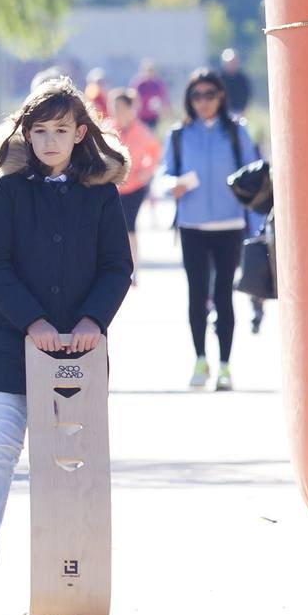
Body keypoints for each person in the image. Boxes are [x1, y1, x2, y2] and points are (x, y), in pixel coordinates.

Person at [0, 78, 132, 615]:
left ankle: (71, 580)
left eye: (61, 130)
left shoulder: (100, 196)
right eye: (40, 131)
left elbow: (116, 269)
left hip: (78, 352)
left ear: (82, 133)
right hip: (13, 346)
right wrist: (31, 321)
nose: (51, 140)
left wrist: (90, 322)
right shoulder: (9, 192)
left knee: (73, 466)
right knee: (1, 448)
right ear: (26, 136)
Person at [155, 68, 264, 391]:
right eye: (197, 96)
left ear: (221, 96)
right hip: (192, 225)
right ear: (189, 100)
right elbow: (163, 175)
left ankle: (226, 365)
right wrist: (171, 186)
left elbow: (255, 175)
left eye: (209, 95)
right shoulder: (178, 135)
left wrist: (257, 224)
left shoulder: (235, 133)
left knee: (224, 296)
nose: (203, 102)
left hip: (230, 225)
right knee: (197, 294)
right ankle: (200, 359)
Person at [105, 90, 161, 274]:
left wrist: (147, 171)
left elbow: (154, 152)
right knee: (112, 228)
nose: (116, 110)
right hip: (112, 186)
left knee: (129, 226)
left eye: (120, 107)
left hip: (135, 187)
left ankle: (133, 268)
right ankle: (112, 265)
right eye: (113, 107)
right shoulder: (107, 129)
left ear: (130, 108)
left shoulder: (142, 130)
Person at [130, 59, 167, 128]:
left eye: (151, 70)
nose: (149, 73)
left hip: (153, 116)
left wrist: (164, 109)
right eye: (148, 70)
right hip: (140, 116)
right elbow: (132, 97)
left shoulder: (157, 84)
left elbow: (163, 97)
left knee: (150, 135)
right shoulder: (138, 84)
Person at [217, 49, 253, 116]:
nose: (233, 64)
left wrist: (243, 113)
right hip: (223, 112)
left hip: (239, 112)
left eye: (234, 62)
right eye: (230, 63)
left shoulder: (242, 79)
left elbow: (248, 96)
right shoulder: (219, 79)